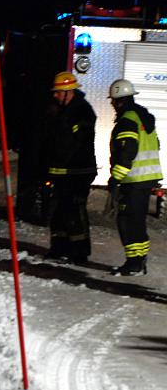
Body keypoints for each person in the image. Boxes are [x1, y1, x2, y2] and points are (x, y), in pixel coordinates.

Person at [107, 79, 163, 276]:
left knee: (127, 221)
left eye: (113, 101)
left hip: (134, 179)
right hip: (146, 179)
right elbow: (156, 145)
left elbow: (127, 151)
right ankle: (139, 261)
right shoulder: (143, 116)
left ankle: (134, 264)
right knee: (137, 221)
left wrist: (116, 178)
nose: (112, 105)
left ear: (119, 101)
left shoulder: (127, 119)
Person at [44, 72, 97, 264]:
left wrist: (63, 157)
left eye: (58, 92)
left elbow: (76, 142)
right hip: (62, 171)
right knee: (58, 210)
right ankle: (59, 248)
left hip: (78, 171)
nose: (55, 95)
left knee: (75, 210)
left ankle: (80, 252)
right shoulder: (61, 111)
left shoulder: (83, 111)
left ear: (68, 92)